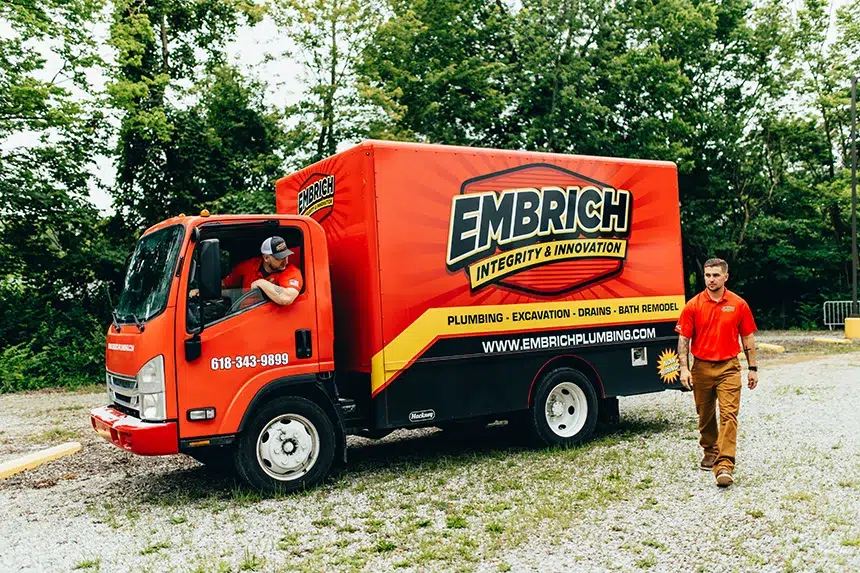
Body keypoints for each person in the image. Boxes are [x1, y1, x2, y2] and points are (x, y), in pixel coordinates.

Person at [675, 258, 758, 488]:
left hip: (729, 367)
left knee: (729, 415)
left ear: (725, 277)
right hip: (701, 367)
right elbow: (683, 339)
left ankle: (724, 465)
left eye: (715, 275)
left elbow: (748, 337)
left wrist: (753, 368)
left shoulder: (738, 304)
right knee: (705, 414)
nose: (711, 279)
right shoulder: (693, 305)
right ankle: (710, 449)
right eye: (707, 275)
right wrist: (683, 368)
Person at [221, 236, 303, 306]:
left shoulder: (292, 272)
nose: (286, 261)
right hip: (240, 316)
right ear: (266, 258)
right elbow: (224, 285)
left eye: (286, 256)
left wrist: (261, 283)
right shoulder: (249, 266)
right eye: (279, 258)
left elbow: (286, 298)